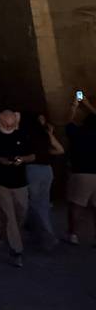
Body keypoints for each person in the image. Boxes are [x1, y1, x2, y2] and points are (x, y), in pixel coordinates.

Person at [0, 110, 35, 267]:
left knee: (22, 212)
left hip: (20, 182)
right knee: (10, 216)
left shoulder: (21, 135)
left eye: (12, 124)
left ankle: (1, 230)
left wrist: (22, 159)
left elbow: (33, 155)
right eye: (6, 124)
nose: (9, 127)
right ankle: (17, 250)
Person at [21, 113, 63, 251]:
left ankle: (46, 235)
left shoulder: (25, 135)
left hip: (32, 169)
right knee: (43, 203)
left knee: (35, 203)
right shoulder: (44, 135)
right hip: (47, 170)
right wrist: (50, 134)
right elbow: (59, 150)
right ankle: (41, 234)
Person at [65, 94, 96, 244]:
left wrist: (74, 106)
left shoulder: (77, 133)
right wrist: (88, 104)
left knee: (76, 206)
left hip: (81, 173)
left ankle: (73, 234)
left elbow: (68, 122)